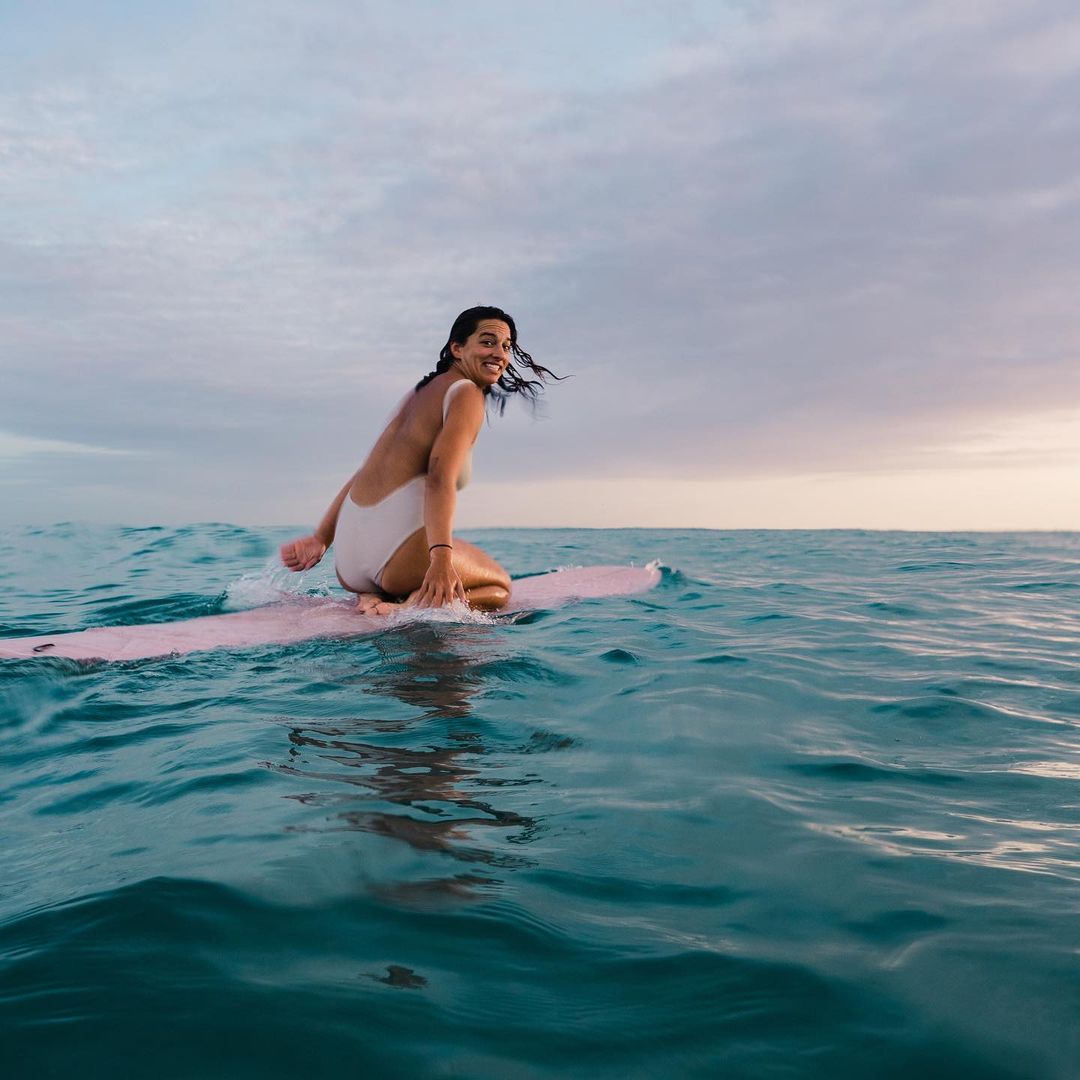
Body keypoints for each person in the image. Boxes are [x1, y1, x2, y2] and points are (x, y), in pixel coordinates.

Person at [280, 306, 559, 615]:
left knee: (449, 547)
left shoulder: (420, 392)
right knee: (499, 587)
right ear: (457, 348)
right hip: (394, 557)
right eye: (488, 341)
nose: (499, 354)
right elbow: (440, 478)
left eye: (506, 347)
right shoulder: (466, 394)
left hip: (349, 563)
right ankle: (405, 609)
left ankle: (373, 597)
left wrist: (321, 539)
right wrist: (440, 559)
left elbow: (365, 472)